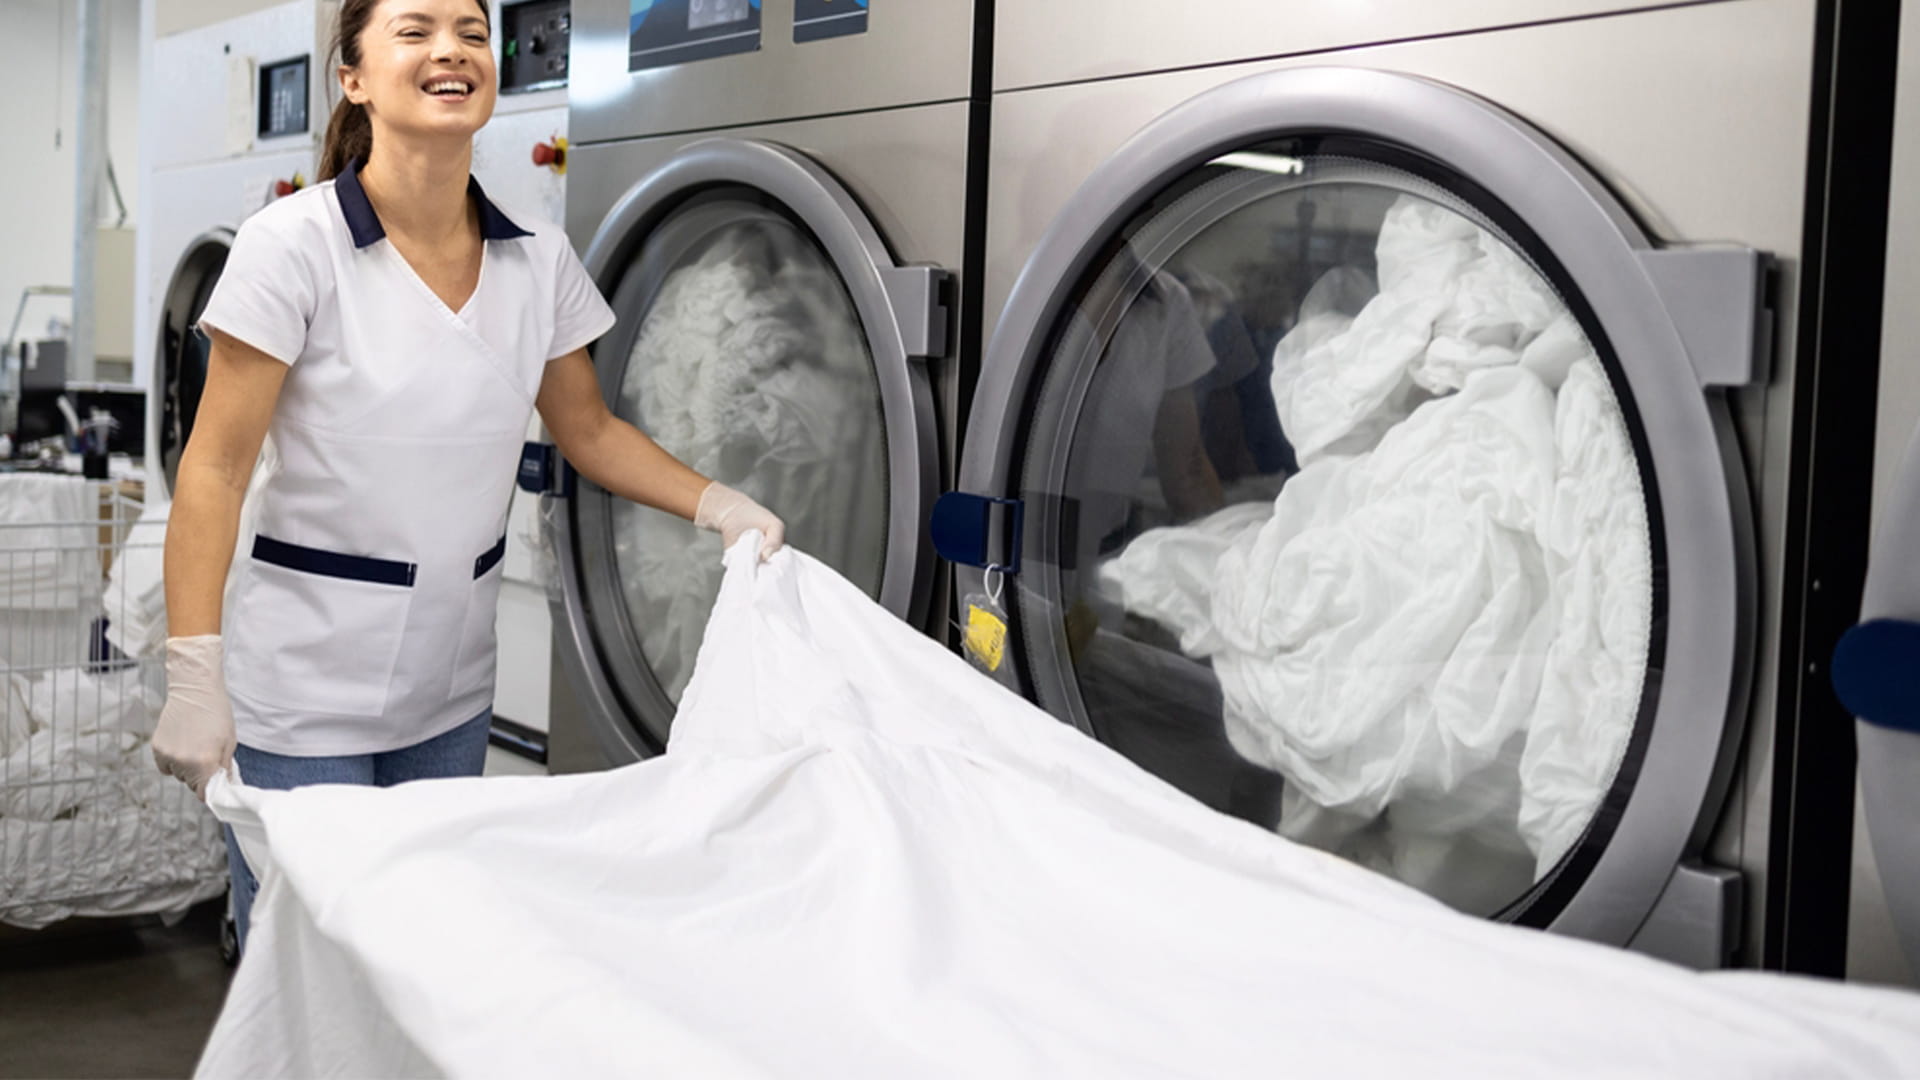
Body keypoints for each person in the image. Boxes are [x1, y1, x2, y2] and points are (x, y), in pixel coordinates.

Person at [147, 0, 785, 951]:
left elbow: (591, 431)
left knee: (420, 965)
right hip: (304, 695)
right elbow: (215, 469)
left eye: (471, 32)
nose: (451, 50)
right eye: (415, 30)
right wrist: (194, 672)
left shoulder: (537, 258)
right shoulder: (292, 247)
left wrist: (720, 506)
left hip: (447, 693)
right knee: (310, 978)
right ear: (354, 77)